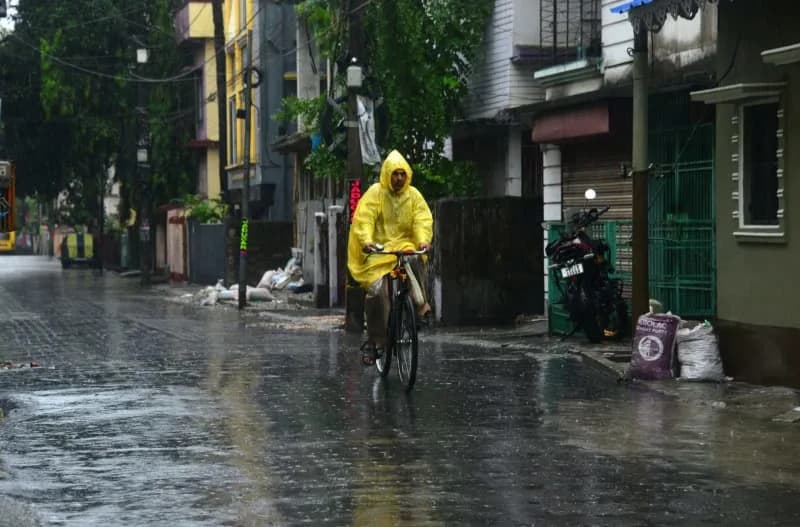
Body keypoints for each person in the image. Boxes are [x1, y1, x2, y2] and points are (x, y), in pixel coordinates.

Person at [347, 150, 433, 366]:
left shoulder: (413, 196)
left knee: (416, 259)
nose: (399, 179)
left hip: (403, 247)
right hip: (379, 251)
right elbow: (364, 219)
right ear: (387, 174)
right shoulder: (376, 193)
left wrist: (422, 240)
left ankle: (420, 306)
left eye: (402, 174)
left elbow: (421, 220)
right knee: (377, 291)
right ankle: (376, 341)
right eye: (395, 174)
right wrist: (367, 241)